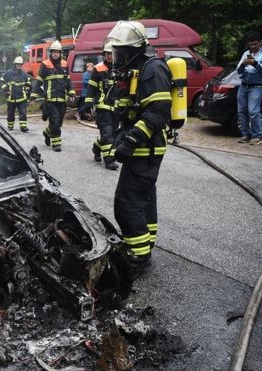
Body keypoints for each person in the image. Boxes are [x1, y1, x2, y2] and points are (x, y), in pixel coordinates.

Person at [106, 21, 172, 275]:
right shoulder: (137, 68)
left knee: (127, 201)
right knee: (143, 197)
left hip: (145, 148)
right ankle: (145, 243)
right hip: (145, 148)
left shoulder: (152, 69)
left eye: (121, 51)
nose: (117, 56)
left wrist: (131, 141)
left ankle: (138, 257)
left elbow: (158, 112)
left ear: (135, 49)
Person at [30, 40, 76, 152]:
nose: (55, 54)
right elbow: (39, 81)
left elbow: (68, 80)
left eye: (57, 52)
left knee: (58, 122)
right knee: (55, 121)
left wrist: (71, 92)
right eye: (53, 52)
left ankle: (47, 133)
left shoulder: (65, 65)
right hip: (50, 100)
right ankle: (56, 144)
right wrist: (33, 97)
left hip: (61, 99)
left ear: (60, 53)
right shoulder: (45, 65)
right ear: (50, 53)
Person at [84, 42, 119, 170]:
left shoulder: (120, 68)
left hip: (116, 108)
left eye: (112, 53)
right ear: (104, 54)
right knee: (108, 134)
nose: (110, 56)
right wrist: (88, 104)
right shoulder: (98, 69)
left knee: (111, 134)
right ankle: (109, 160)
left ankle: (96, 147)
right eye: (107, 53)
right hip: (102, 107)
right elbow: (91, 88)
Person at [236, 31, 262, 145]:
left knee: (253, 111)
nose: (252, 47)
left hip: (256, 86)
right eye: (251, 44)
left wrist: (255, 63)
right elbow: (238, 70)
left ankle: (257, 136)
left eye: (255, 44)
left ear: (260, 43)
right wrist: (243, 64)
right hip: (243, 85)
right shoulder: (246, 53)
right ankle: (246, 134)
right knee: (242, 111)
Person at [0, 56, 32, 132]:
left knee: (23, 112)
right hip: (11, 97)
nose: (19, 65)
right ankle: (10, 126)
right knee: (10, 113)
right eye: (18, 64)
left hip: (22, 97)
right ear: (15, 64)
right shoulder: (8, 73)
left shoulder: (24, 74)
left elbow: (29, 83)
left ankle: (23, 127)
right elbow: (2, 81)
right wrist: (5, 89)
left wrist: (27, 91)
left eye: (20, 64)